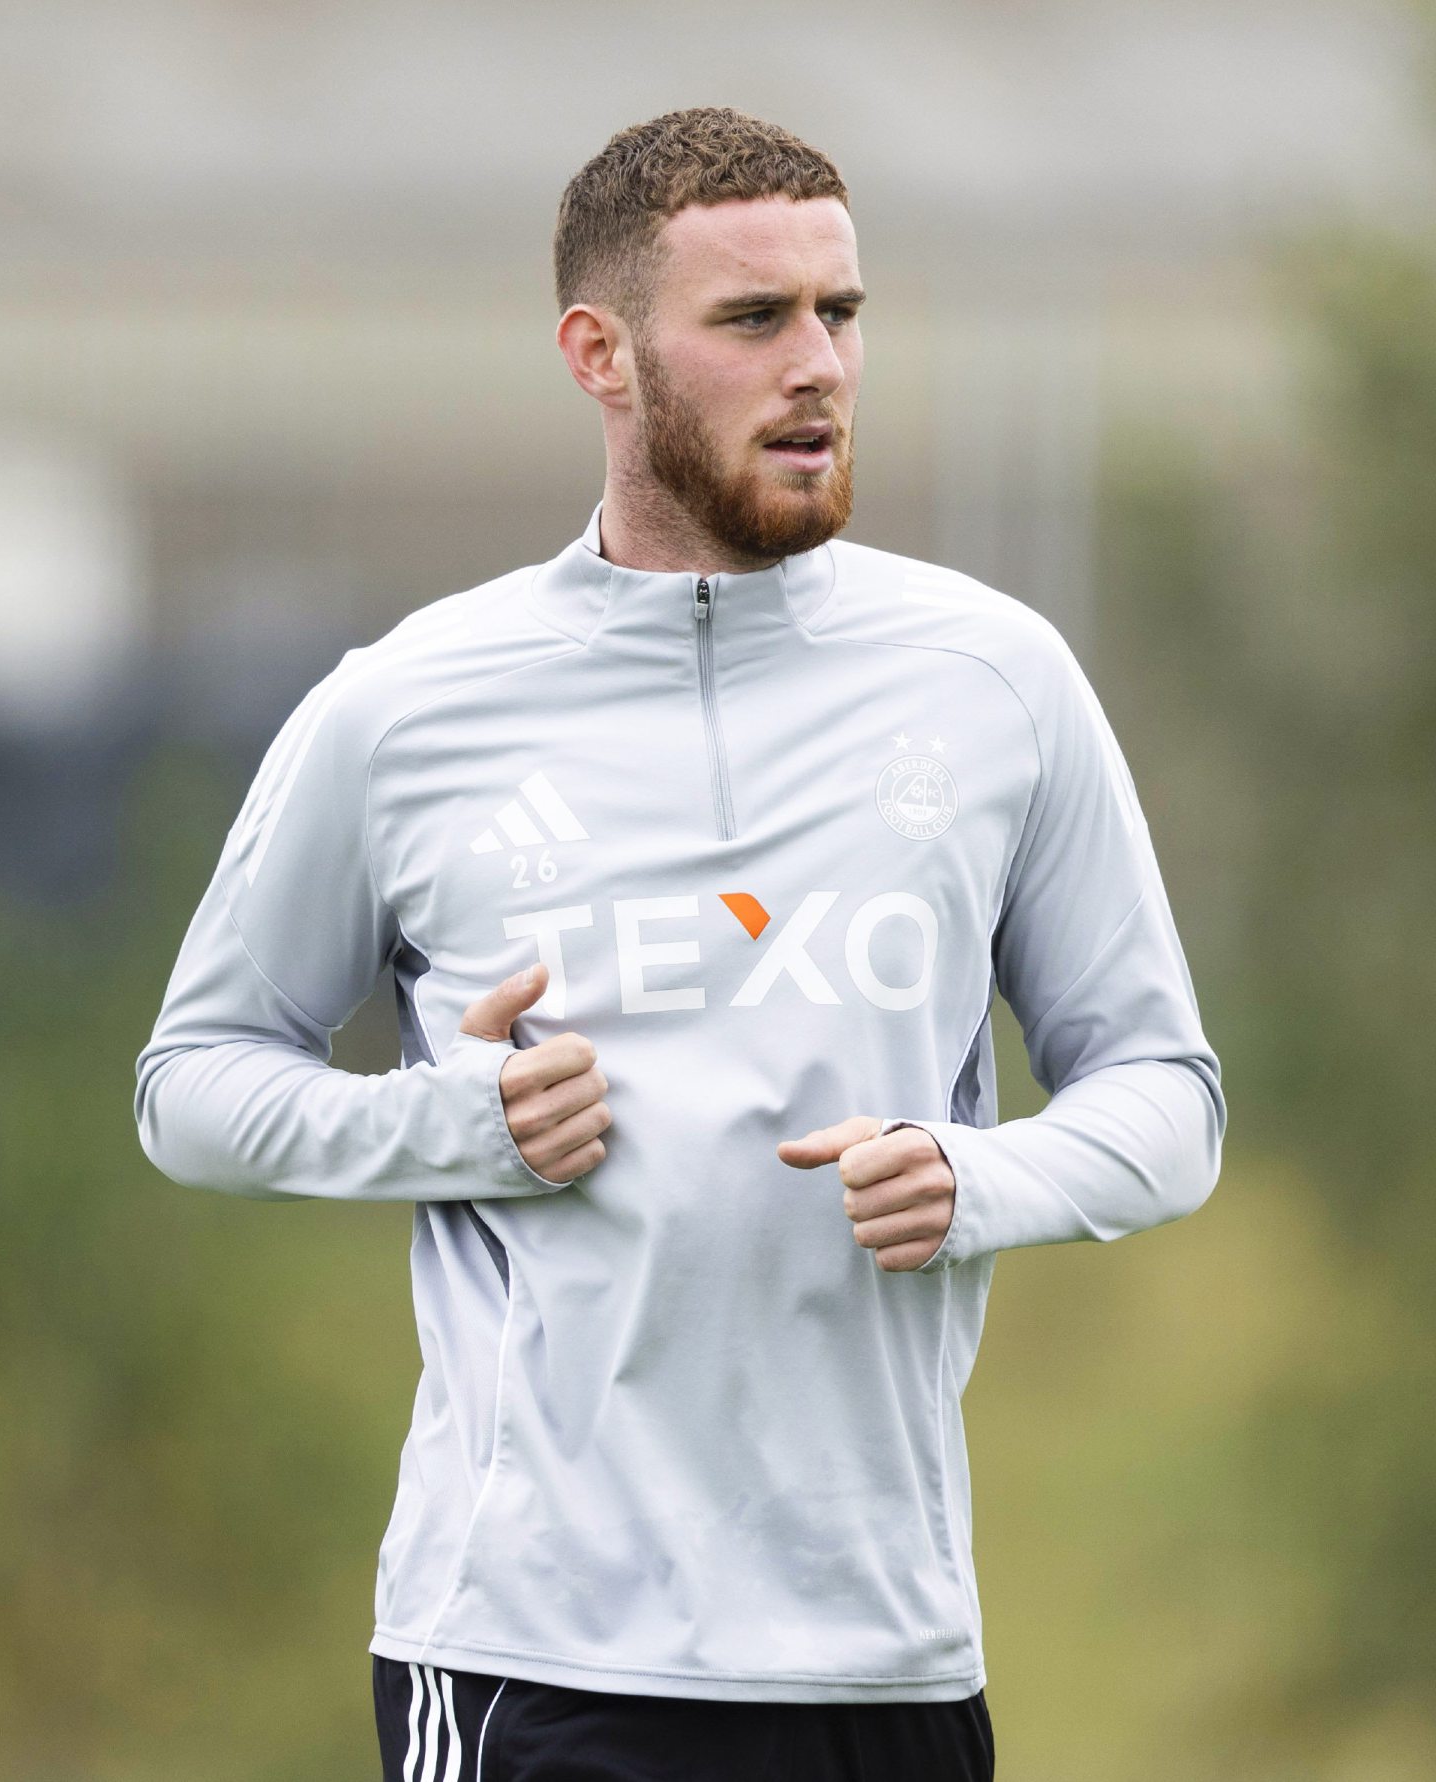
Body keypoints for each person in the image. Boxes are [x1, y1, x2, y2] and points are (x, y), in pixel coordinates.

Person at [134, 105, 1225, 1781]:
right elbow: (192, 1086)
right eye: (753, 320)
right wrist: (450, 1124)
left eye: (841, 315)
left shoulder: (997, 679)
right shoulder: (405, 704)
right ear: (602, 352)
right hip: (526, 1650)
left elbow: (1166, 1098)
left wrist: (972, 1173)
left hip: (888, 1656)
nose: (820, 368)